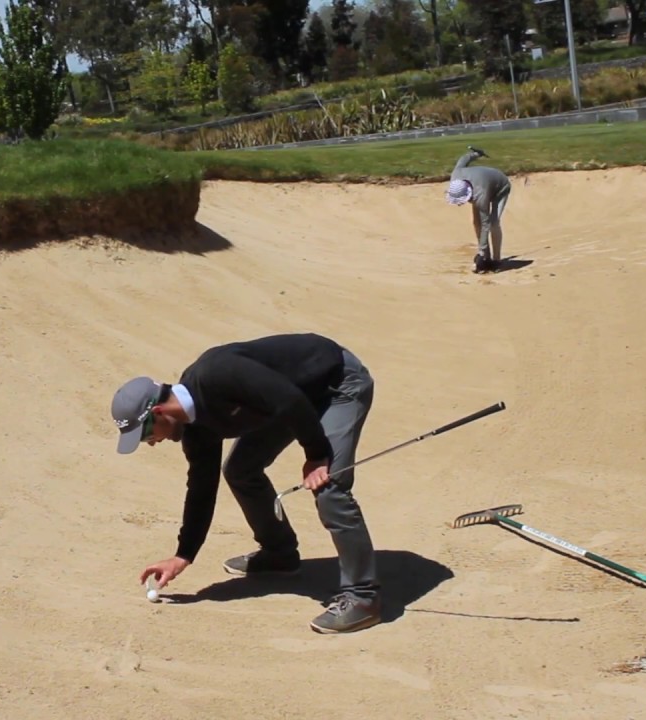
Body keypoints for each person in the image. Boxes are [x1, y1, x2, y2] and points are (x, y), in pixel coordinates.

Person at [111, 332, 382, 634]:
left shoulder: (217, 374)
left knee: (328, 485)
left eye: (147, 435)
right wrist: (183, 555)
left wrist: (317, 455)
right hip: (290, 400)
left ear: (159, 413)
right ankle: (279, 554)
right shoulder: (196, 430)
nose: (150, 443)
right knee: (240, 469)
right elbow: (201, 488)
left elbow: (290, 400)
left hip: (335, 383)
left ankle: (362, 598)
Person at [445, 145, 512, 274]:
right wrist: (476, 154)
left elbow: (485, 223)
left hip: (500, 187)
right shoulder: (456, 176)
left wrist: (480, 251)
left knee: (493, 222)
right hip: (482, 184)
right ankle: (486, 256)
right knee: (476, 222)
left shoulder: (480, 194)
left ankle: (496, 260)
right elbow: (463, 160)